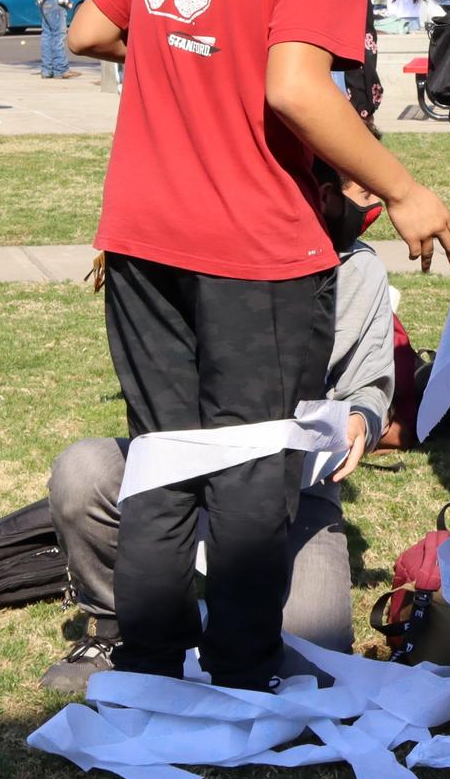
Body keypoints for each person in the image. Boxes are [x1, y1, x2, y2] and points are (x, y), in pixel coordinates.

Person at [68, 0, 450, 690]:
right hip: (252, 246)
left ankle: (148, 668)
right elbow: (294, 86)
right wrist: (404, 191)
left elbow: (88, 30)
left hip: (139, 234)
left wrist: (197, 70)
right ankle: (244, 674)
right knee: (253, 464)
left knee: (164, 454)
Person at [41, 169, 396, 691]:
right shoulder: (201, 254)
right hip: (182, 474)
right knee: (84, 470)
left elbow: (370, 383)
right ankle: (119, 624)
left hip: (287, 490)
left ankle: (230, 625)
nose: (371, 209)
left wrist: (361, 418)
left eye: (377, 195)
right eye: (361, 194)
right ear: (317, 189)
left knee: (311, 659)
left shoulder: (358, 269)